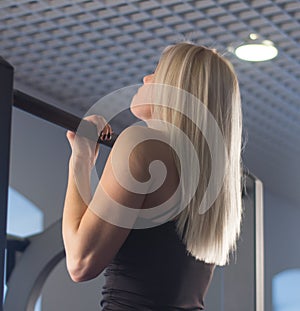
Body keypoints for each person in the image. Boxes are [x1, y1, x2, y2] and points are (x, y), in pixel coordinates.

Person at [63, 42, 244, 310]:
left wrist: (80, 160)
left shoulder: (141, 144)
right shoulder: (215, 186)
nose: (145, 78)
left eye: (156, 73)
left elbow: (80, 262)